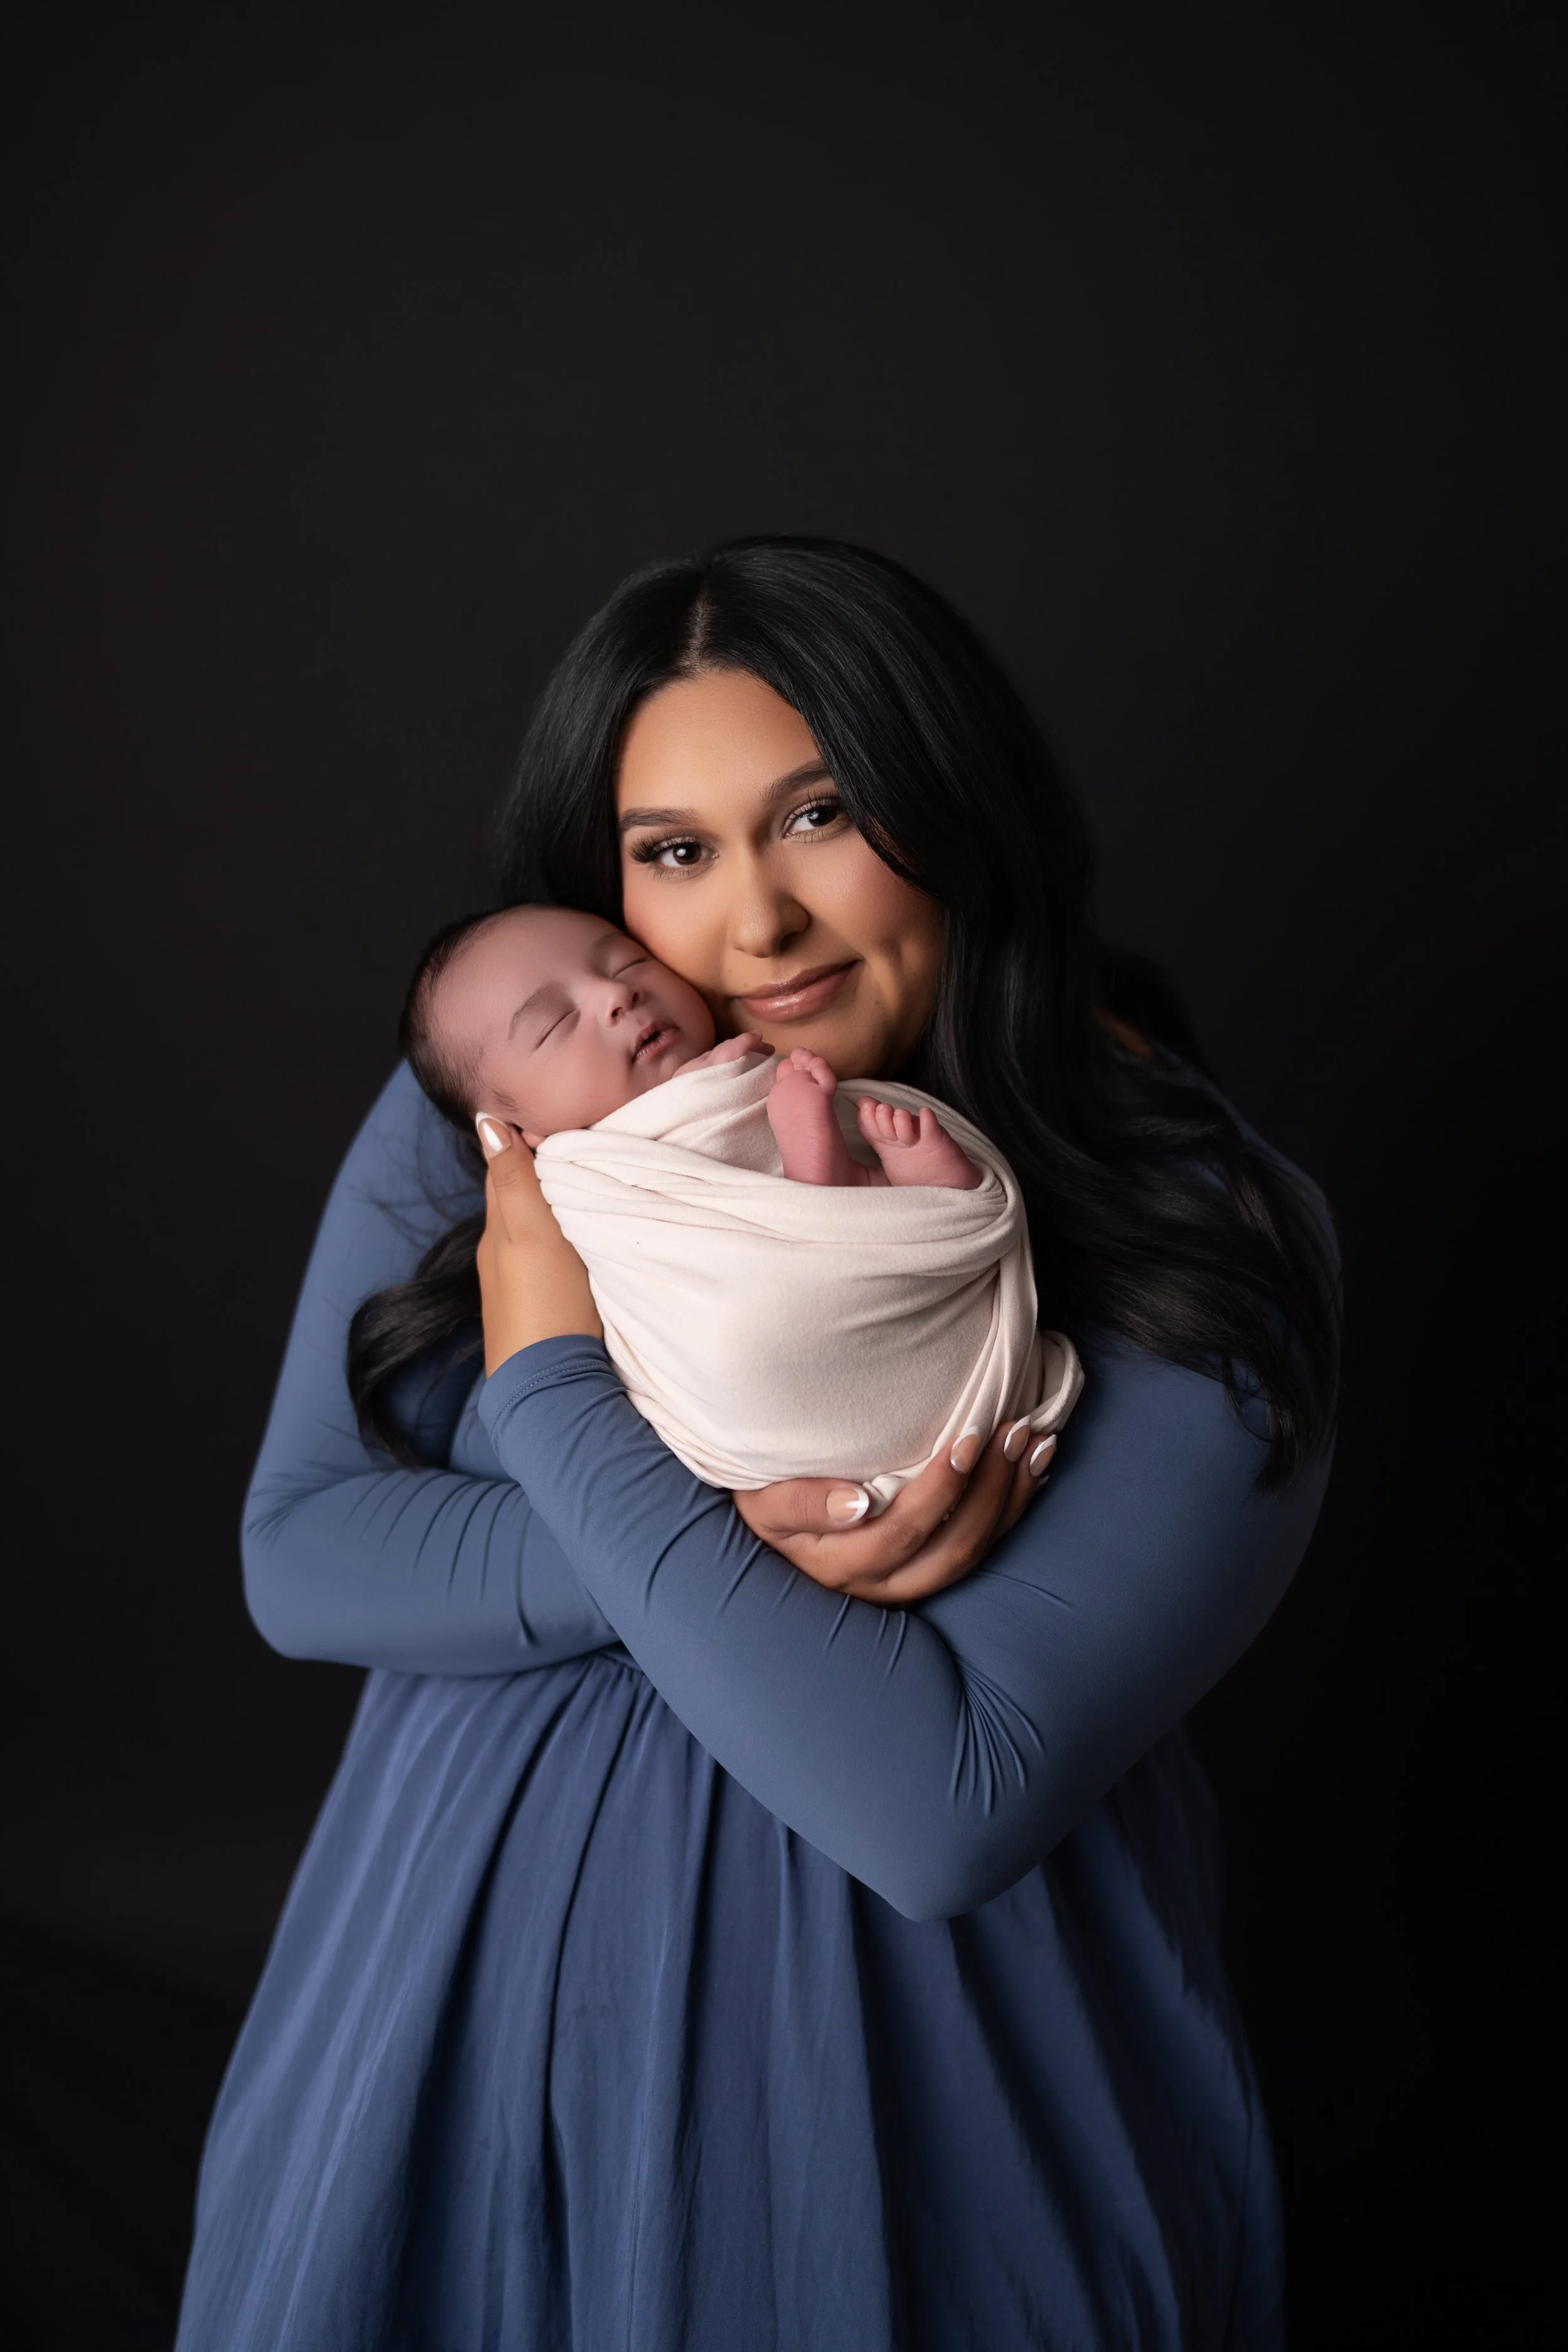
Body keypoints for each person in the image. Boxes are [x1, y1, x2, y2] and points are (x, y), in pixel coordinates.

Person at [176, 537, 1338, 2350]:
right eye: (673, 852)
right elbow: (298, 1554)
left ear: (956, 801)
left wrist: (557, 1383)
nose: (753, 925)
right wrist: (732, 1524)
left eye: (820, 813)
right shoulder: (526, 1077)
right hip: (429, 2020)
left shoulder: (1205, 1229)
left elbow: (934, 1803)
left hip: (893, 2107)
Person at [400, 901, 1076, 1513]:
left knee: (857, 1145)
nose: (616, 993)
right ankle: (838, 1195)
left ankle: (884, 1203)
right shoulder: (589, 1177)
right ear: (521, 1138)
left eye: (628, 961)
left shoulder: (748, 1062)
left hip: (929, 1352)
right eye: (553, 1024)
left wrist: (729, 1087)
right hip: (773, 1376)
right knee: (754, 1330)